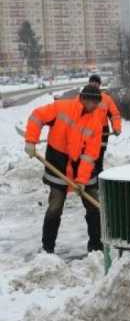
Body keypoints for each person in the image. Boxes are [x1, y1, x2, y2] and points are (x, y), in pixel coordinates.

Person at [24, 85, 105, 253]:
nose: (92, 105)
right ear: (82, 97)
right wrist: (31, 140)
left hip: (82, 167)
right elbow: (37, 116)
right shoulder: (62, 107)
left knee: (94, 206)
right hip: (57, 162)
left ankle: (96, 247)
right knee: (55, 206)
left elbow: (90, 156)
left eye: (95, 102)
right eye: (89, 100)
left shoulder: (96, 122)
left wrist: (82, 181)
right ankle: (48, 249)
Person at [88, 74, 121, 174]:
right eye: (92, 82)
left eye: (96, 82)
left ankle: (98, 175)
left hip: (102, 132)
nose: (94, 84)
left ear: (99, 85)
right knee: (88, 155)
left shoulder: (106, 99)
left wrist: (116, 127)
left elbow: (114, 114)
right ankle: (88, 175)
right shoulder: (82, 97)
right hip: (87, 131)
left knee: (99, 155)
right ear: (89, 83)